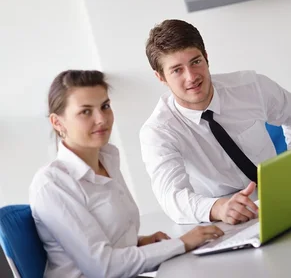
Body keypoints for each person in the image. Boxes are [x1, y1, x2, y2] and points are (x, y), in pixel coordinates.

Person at [29, 70, 224, 278]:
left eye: (105, 106)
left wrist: (140, 243)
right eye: (86, 112)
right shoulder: (53, 184)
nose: (101, 119)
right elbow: (103, 267)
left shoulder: (107, 160)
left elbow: (103, 239)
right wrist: (182, 243)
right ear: (57, 122)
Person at [140, 19, 291, 225]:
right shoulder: (158, 132)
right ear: (160, 77)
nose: (191, 77)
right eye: (177, 70)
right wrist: (219, 208)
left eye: (195, 62)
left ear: (206, 58)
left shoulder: (250, 86)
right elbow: (172, 197)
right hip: (225, 218)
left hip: (283, 196)